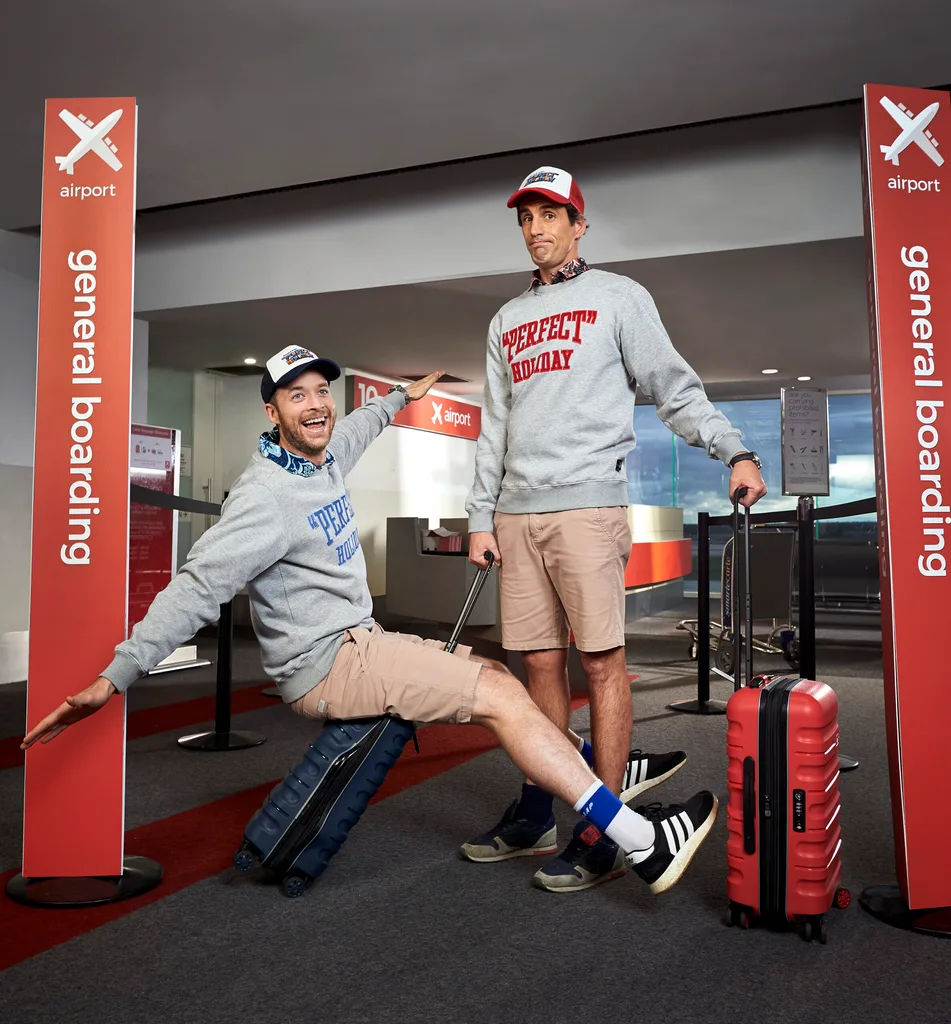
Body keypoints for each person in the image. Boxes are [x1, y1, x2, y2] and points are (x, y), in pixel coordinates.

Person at [21, 343, 720, 897]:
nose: (316, 405)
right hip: (325, 666)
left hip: (362, 642)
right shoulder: (264, 498)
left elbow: (360, 425)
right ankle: (640, 842)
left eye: (321, 391)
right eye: (297, 395)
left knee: (487, 672)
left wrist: (397, 398)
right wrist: (116, 677)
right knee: (502, 693)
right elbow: (197, 588)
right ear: (272, 411)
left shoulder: (322, 456)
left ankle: (588, 771)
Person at [462, 165, 768, 892]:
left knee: (600, 664)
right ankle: (539, 809)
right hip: (516, 513)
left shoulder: (619, 298)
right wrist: (479, 516)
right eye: (526, 217)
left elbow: (673, 389)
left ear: (579, 224)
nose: (536, 228)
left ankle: (599, 832)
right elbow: (493, 427)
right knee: (537, 669)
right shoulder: (505, 320)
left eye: (549, 214)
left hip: (587, 509)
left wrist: (734, 450)